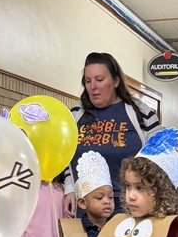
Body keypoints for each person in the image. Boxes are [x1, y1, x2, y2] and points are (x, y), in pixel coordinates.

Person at [63, 52, 160, 215]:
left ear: (115, 81)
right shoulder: (75, 113)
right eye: (88, 81)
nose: (93, 87)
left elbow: (162, 156)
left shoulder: (140, 112)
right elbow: (64, 154)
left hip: (129, 205)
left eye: (100, 80)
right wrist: (69, 189)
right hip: (87, 207)